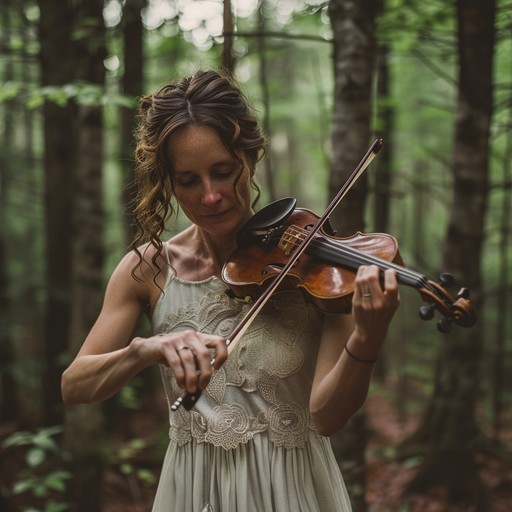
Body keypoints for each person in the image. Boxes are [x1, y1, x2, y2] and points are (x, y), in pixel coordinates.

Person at [61, 69, 400, 512]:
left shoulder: (314, 268)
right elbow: (75, 385)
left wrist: (367, 339)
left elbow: (327, 416)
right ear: (168, 182)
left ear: (250, 159)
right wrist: (145, 349)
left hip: (293, 492)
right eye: (188, 180)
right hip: (192, 491)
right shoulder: (147, 269)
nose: (211, 196)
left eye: (223, 172)